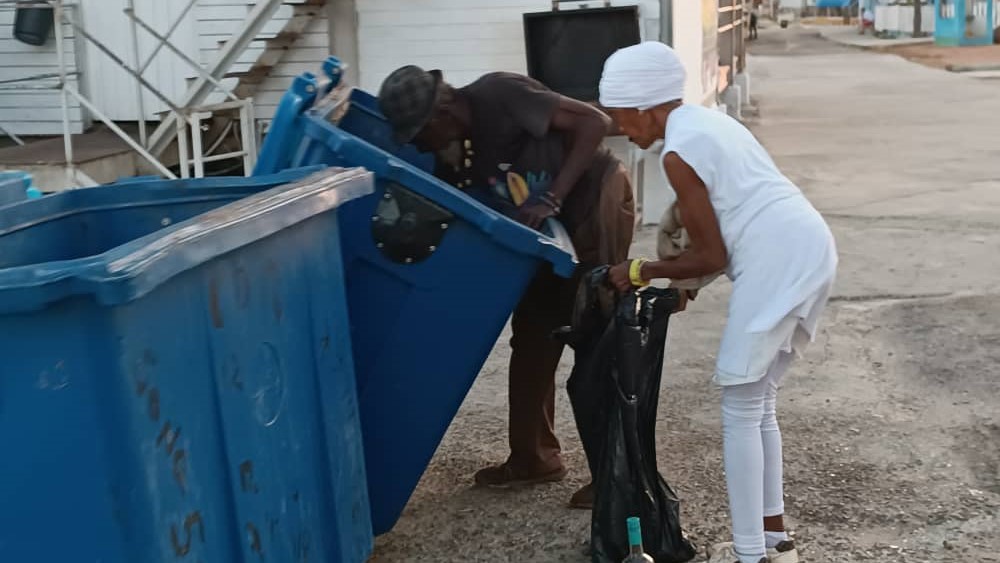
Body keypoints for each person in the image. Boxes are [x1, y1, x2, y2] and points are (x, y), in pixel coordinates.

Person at [598, 42, 837, 563]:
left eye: (621, 117)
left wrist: (641, 270)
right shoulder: (709, 124)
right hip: (810, 244)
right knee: (759, 400)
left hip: (777, 259)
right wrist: (685, 286)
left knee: (739, 403)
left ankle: (750, 555)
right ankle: (774, 540)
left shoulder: (679, 153)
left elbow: (711, 251)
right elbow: (724, 224)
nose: (623, 130)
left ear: (645, 108)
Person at [377, 66, 635, 505]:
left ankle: (619, 474)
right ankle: (534, 458)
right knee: (533, 334)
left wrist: (552, 196)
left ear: (442, 113)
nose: (418, 145)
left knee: (595, 333)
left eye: (419, 134)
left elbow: (596, 122)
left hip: (592, 202)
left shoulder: (500, 94)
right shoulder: (456, 151)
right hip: (542, 235)